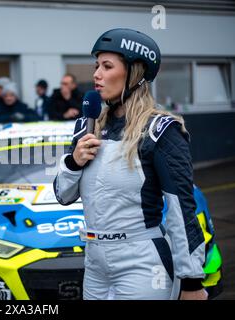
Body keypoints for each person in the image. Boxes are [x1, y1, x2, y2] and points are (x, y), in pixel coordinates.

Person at [54, 28, 207, 300]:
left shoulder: (161, 130)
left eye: (107, 66)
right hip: (94, 264)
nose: (96, 74)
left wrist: (191, 281)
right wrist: (73, 162)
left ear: (134, 73)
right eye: (96, 66)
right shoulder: (85, 127)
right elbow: (63, 195)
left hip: (142, 263)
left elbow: (181, 210)